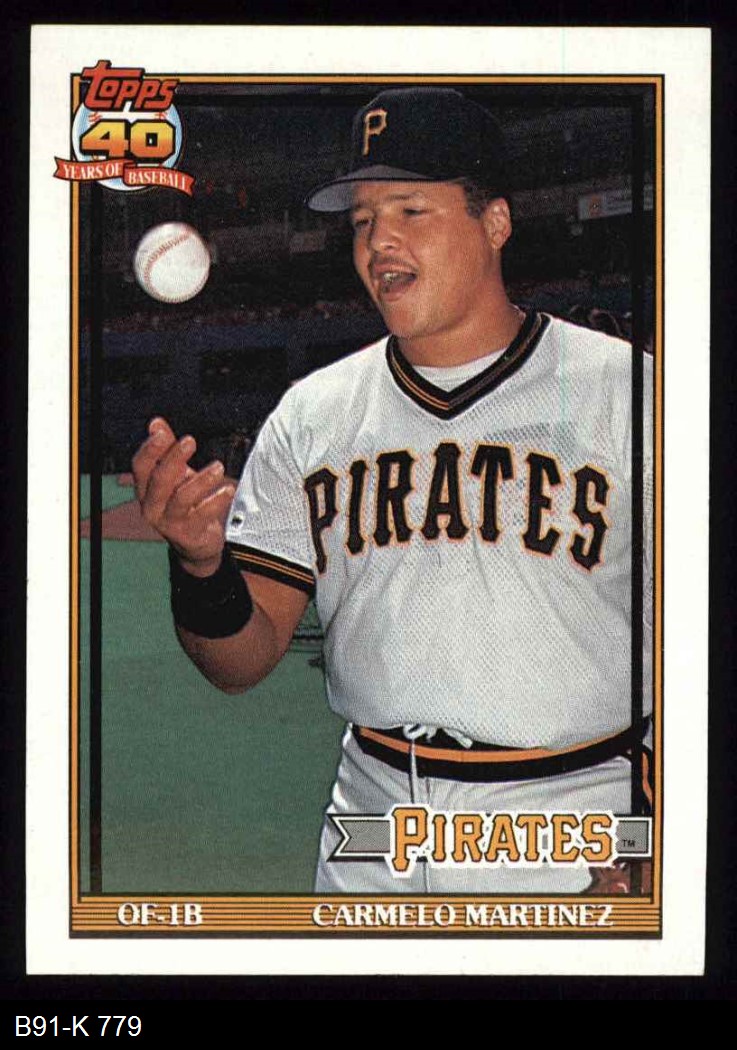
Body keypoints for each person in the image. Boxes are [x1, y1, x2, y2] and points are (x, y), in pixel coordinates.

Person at [132, 88, 653, 894]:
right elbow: (240, 661)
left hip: (569, 812)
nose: (379, 241)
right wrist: (201, 568)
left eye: (411, 210)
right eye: (362, 220)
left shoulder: (627, 392)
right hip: (372, 813)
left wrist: (673, 822)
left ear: (495, 223)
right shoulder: (312, 413)